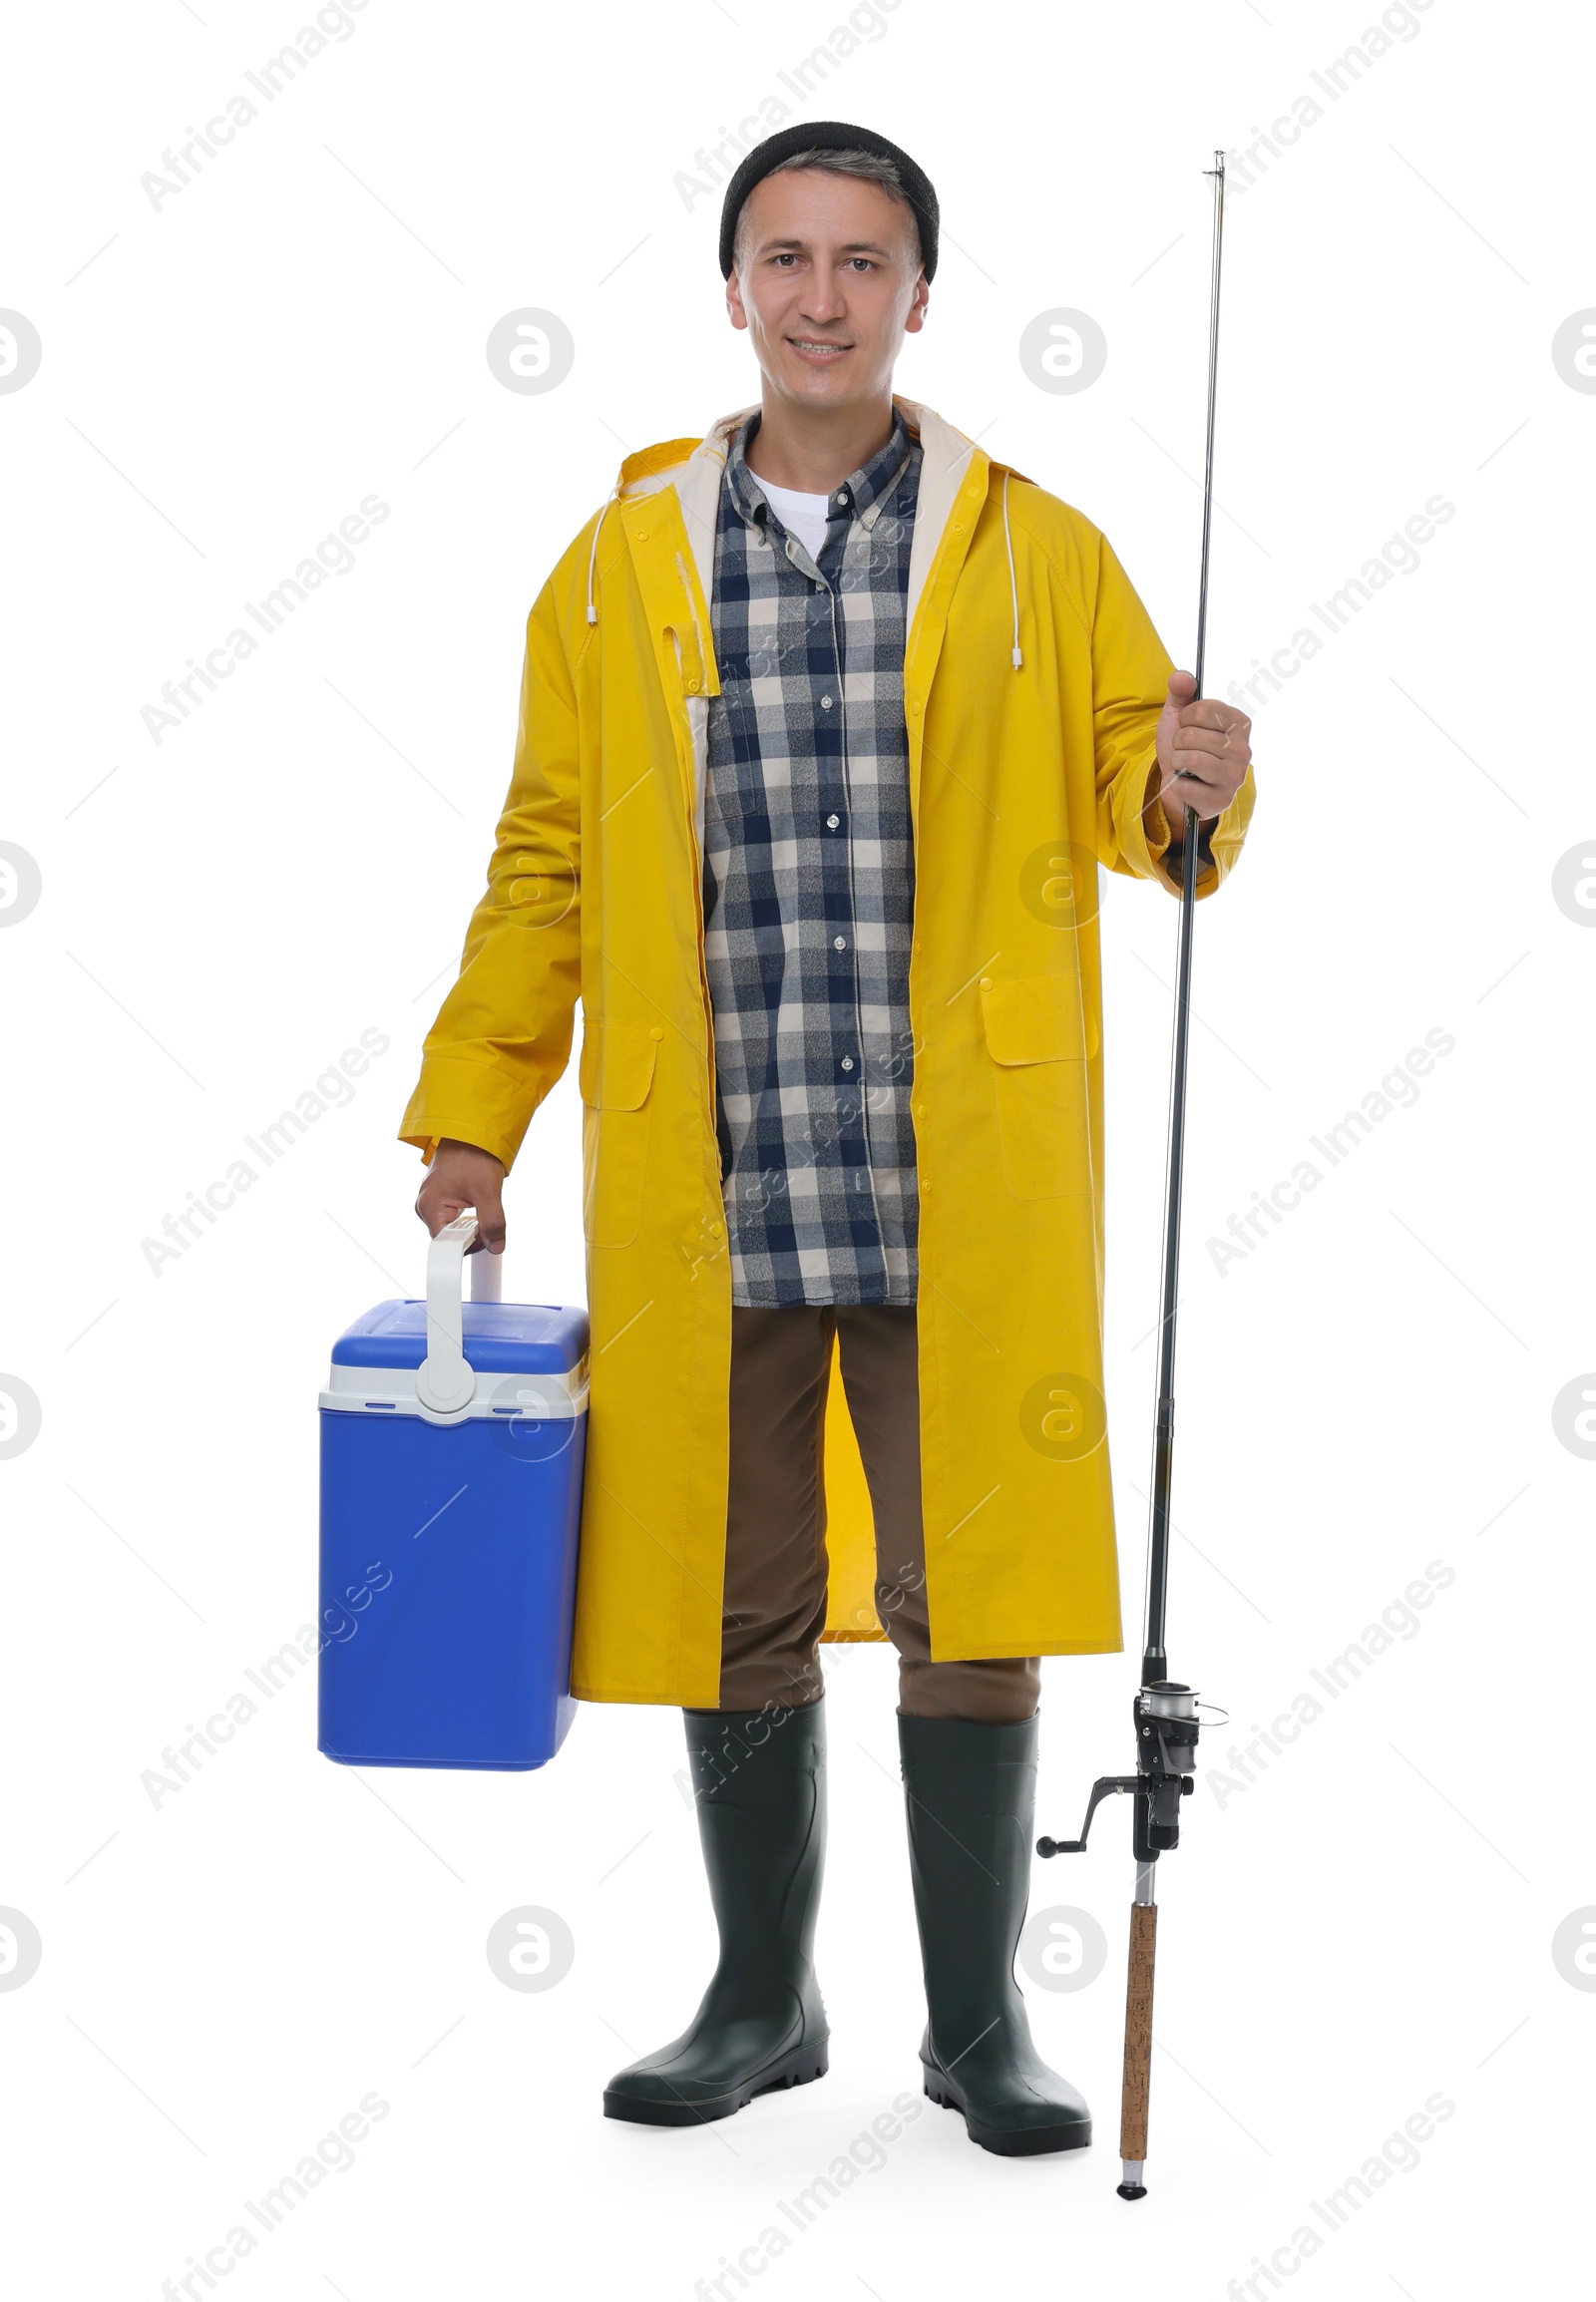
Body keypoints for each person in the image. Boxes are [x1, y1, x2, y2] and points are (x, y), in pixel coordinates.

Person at [401, 121, 1255, 2156]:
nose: (817, 294)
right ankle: (758, 1996)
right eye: (781, 256)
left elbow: (1148, 787)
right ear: (728, 289)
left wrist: (1187, 781)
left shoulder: (1031, 551)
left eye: (859, 262)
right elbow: (543, 863)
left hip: (955, 1181)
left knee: (966, 1601)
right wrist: (472, 1114)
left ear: (916, 297)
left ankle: (973, 2026)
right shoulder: (616, 567)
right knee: (728, 1588)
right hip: (717, 1176)